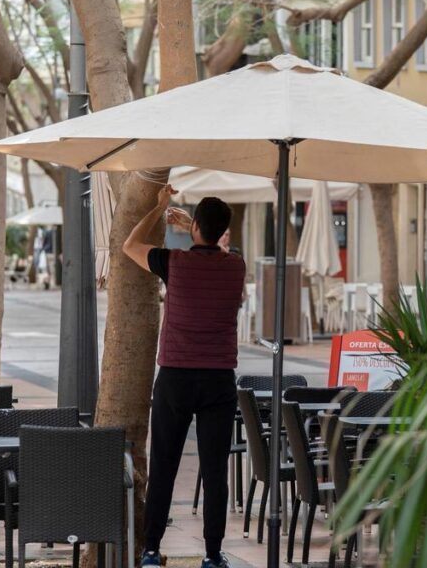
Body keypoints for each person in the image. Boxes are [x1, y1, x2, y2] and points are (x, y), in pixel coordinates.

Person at [123, 187, 245, 568]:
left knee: (164, 465)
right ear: (224, 230)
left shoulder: (173, 262)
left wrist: (161, 208)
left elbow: (130, 244)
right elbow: (219, 254)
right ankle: (211, 555)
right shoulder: (236, 265)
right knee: (214, 473)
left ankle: (151, 550)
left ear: (194, 227)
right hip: (218, 381)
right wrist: (195, 228)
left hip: (175, 377)